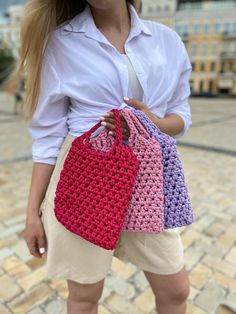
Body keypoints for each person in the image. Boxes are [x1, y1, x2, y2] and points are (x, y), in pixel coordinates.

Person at [19, 0, 192, 313]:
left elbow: (181, 112)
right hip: (85, 173)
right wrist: (33, 212)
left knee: (176, 290)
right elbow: (47, 136)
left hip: (148, 174)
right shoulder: (60, 43)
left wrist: (153, 123)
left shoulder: (166, 40)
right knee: (84, 297)